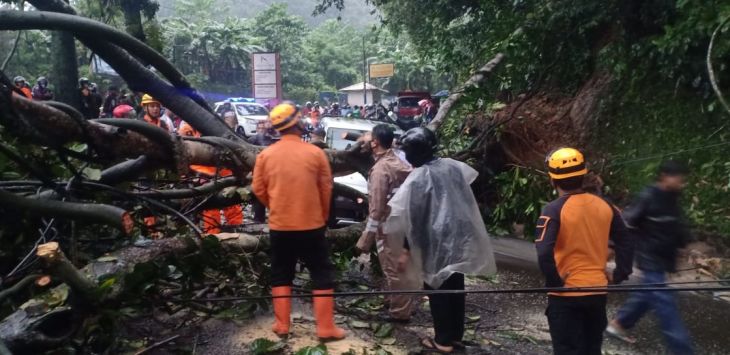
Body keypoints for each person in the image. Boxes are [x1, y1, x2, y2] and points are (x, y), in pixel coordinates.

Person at [384, 127, 496, 352]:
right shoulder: (452, 166)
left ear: (414, 153)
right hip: (459, 239)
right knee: (456, 286)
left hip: (434, 242)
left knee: (438, 290)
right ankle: (455, 336)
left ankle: (443, 341)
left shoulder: (418, 177)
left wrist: (406, 250)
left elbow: (413, 217)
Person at [252, 102, 345, 342]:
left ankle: (282, 324)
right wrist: (321, 216)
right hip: (312, 225)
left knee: (281, 272)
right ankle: (325, 328)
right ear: (297, 123)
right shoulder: (315, 153)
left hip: (280, 226)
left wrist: (276, 206)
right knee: (321, 271)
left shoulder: (265, 155)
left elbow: (258, 189)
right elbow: (326, 189)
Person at [535, 147, 633, 355]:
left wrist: (555, 283)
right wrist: (620, 273)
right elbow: (626, 240)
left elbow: (544, 252)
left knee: (566, 350)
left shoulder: (552, 210)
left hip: (565, 295)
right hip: (597, 293)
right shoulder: (606, 206)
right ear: (583, 175)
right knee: (591, 349)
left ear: (552, 180)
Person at [606, 160, 693, 354]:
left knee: (647, 294)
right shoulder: (648, 196)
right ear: (665, 176)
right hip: (649, 257)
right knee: (665, 303)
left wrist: (682, 247)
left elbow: (678, 226)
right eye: (678, 178)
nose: (681, 182)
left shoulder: (672, 198)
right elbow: (626, 223)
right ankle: (683, 350)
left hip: (663, 258)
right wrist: (612, 248)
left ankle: (619, 323)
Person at [357, 124, 415, 322]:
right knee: (400, 266)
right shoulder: (400, 160)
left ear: (375, 143)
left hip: (389, 226)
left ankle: (400, 313)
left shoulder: (381, 170)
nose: (362, 139)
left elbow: (377, 208)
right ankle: (397, 302)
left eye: (367, 137)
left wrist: (366, 239)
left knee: (394, 268)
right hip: (405, 222)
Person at [178, 119, 243, 234]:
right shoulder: (187, 129)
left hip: (223, 170)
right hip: (202, 174)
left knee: (231, 203)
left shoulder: (212, 124)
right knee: (210, 207)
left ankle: (237, 230)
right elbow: (183, 152)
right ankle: (213, 235)